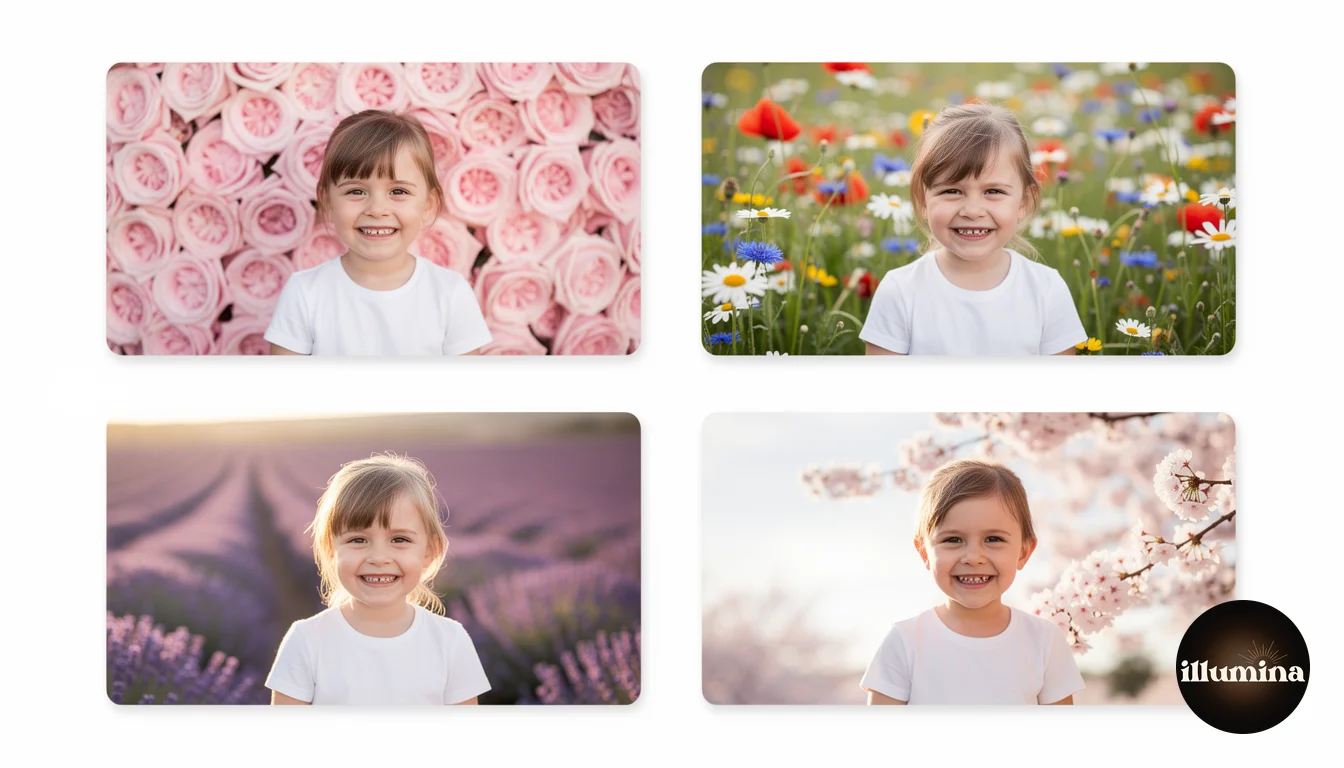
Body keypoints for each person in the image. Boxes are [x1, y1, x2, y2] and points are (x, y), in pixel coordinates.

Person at [860, 103, 1086, 355]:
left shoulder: (1047, 290)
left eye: (993, 191)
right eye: (951, 191)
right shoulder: (900, 291)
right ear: (922, 200)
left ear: (1024, 201)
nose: (972, 210)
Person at [266, 454, 491, 705]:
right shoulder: (307, 640)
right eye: (358, 540)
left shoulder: (450, 641)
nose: (379, 557)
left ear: (430, 551)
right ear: (331, 551)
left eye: (399, 540)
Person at [265, 110, 491, 356]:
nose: (377, 209)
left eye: (398, 192)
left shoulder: (450, 293)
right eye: (356, 191)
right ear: (327, 201)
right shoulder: (305, 293)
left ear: (428, 204)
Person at [860, 459, 1084, 704]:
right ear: (925, 552)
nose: (973, 558)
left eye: (993, 539)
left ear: (1023, 552)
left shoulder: (1045, 641)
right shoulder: (905, 642)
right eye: (953, 540)